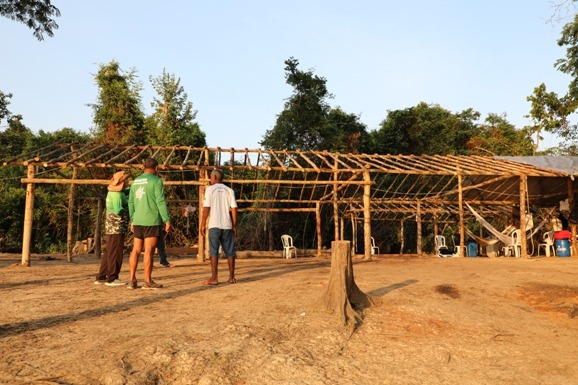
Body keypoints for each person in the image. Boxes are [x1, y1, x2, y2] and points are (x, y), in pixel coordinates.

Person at [127, 158, 173, 289]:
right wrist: (166, 219)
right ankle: (147, 281)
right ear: (156, 168)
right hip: (151, 221)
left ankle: (132, 280)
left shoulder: (135, 181)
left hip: (137, 220)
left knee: (135, 250)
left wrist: (132, 219)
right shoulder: (157, 181)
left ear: (143, 167)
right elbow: (160, 201)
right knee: (148, 251)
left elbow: (131, 202)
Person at [200, 168, 238, 285]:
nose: (210, 179)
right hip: (227, 225)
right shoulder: (229, 190)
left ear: (215, 178)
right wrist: (234, 225)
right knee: (230, 251)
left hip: (214, 225)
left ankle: (214, 278)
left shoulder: (210, 190)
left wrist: (202, 224)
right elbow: (234, 209)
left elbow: (206, 208)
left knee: (213, 251)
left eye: (211, 177)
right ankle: (232, 277)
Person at [94, 171, 130, 286]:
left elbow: (126, 192)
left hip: (111, 226)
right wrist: (128, 208)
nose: (128, 182)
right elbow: (117, 210)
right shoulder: (117, 195)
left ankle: (102, 275)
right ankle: (112, 277)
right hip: (116, 226)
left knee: (110, 250)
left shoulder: (113, 192)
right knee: (116, 251)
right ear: (122, 182)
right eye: (127, 180)